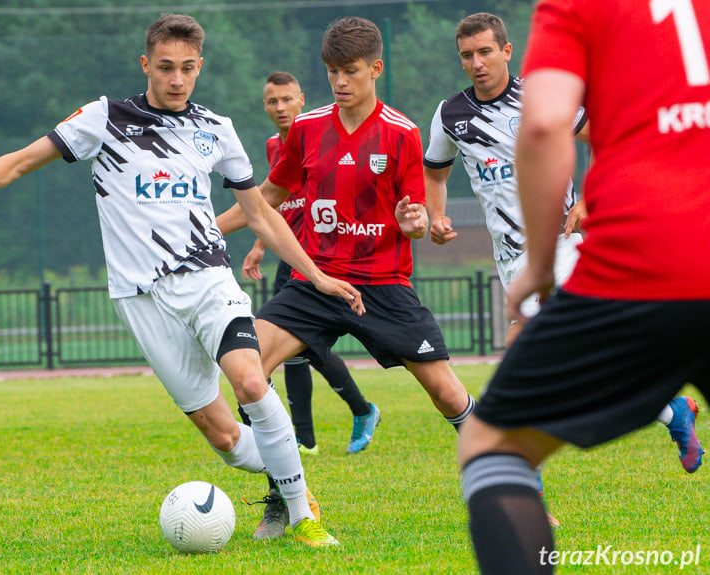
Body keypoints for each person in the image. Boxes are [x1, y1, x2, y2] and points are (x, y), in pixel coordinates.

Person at [0, 14, 359, 547]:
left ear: (200, 67)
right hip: (143, 299)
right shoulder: (105, 118)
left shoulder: (216, 129)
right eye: (166, 68)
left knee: (250, 381)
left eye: (188, 69)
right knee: (223, 437)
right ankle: (284, 476)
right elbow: (21, 161)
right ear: (146, 64)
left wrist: (315, 275)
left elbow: (261, 213)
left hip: (208, 281)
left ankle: (302, 517)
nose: (177, 79)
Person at [457, 1, 709, 573]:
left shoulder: (580, 7)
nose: (475, 62)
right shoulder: (451, 117)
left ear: (505, 51)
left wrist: (541, 264)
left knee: (492, 446)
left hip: (645, 260)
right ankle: (674, 412)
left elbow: (545, 126)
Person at [218, 15, 475, 510]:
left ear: (376, 68)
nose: (339, 82)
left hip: (383, 284)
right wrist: (208, 228)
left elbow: (417, 223)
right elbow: (268, 195)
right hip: (315, 280)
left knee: (447, 395)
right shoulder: (309, 128)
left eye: (351, 71)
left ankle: (515, 488)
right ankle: (284, 497)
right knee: (249, 371)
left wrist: (412, 219)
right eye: (332, 71)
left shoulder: (401, 134)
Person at [241, 71, 380, 458]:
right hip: (292, 258)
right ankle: (308, 438)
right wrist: (258, 246)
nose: (281, 108)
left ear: (302, 100)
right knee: (295, 352)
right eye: (273, 102)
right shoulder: (274, 146)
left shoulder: (323, 138)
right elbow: (274, 201)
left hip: (324, 258)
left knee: (305, 348)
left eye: (287, 100)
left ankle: (358, 411)